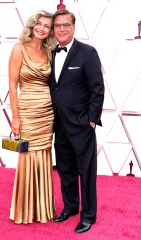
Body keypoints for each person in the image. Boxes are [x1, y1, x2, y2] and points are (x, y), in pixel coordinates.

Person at [48, 9, 105, 233]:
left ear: (73, 27)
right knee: (65, 170)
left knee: (86, 171)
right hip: (59, 124)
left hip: (81, 124)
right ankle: (70, 207)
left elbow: (97, 89)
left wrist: (91, 119)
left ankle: (88, 215)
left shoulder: (87, 53)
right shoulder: (51, 53)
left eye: (66, 25)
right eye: (57, 26)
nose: (61, 29)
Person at [8, 10, 57, 224]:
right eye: (39, 24)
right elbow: (12, 84)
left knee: (44, 155)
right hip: (27, 110)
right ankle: (25, 210)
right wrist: (15, 117)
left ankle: (43, 208)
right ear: (32, 24)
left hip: (47, 112)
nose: (42, 28)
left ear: (50, 30)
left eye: (47, 26)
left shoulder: (50, 51)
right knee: (27, 155)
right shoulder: (19, 49)